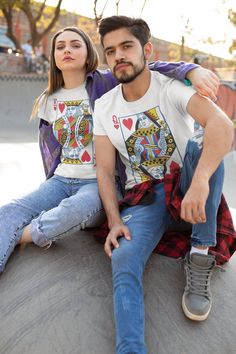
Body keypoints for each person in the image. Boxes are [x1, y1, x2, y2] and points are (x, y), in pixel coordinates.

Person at [0, 25, 220, 275]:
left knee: (74, 210)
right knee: (7, 212)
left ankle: (24, 235)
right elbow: (52, 152)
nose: (67, 50)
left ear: (89, 53)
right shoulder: (47, 100)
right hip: (60, 181)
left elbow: (149, 68)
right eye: (60, 47)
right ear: (54, 57)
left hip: (96, 183)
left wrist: (191, 69)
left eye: (75, 45)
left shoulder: (105, 82)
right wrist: (47, 189)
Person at [93, 16, 234, 354]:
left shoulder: (169, 87)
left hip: (189, 190)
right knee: (123, 258)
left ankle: (200, 254)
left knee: (201, 144)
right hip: (146, 199)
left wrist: (200, 181)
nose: (118, 57)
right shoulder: (104, 106)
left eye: (126, 46)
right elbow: (104, 169)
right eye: (110, 51)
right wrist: (114, 221)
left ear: (147, 49)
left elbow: (223, 125)